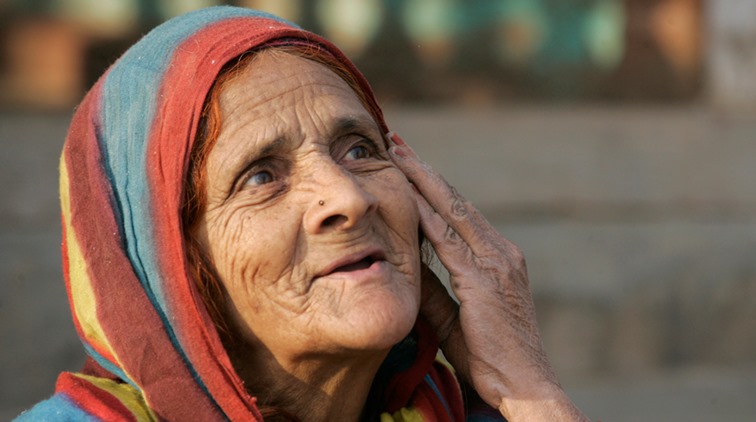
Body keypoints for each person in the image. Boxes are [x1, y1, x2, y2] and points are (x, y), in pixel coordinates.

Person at [17, 6, 588, 421]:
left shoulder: (459, 412)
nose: (347, 198)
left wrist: (529, 388)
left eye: (360, 149)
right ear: (167, 266)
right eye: (261, 176)